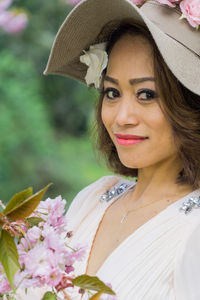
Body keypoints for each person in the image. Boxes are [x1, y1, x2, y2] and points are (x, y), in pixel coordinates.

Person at [43, 0, 200, 299]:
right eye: (112, 92)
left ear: (191, 106)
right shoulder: (93, 199)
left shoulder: (194, 234)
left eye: (146, 94)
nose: (122, 117)